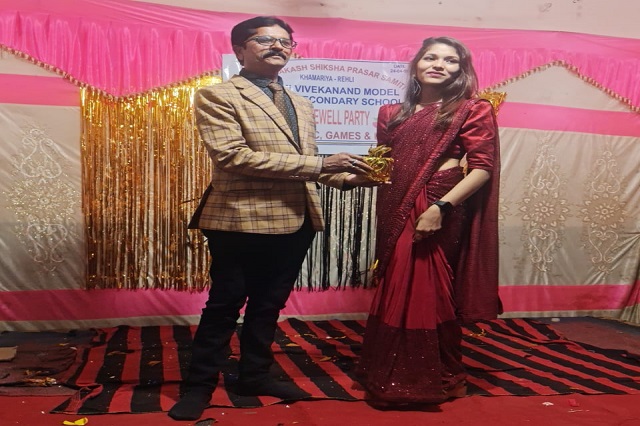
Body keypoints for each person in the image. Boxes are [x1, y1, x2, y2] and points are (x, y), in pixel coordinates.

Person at [168, 16, 377, 421]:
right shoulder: (217, 95)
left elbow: (307, 165)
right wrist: (322, 164)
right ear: (240, 50)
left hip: (298, 219)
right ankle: (199, 386)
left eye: (286, 41)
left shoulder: (301, 103)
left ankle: (255, 375)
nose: (278, 46)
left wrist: (352, 179)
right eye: (265, 40)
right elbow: (233, 157)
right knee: (225, 304)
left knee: (268, 305)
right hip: (239, 219)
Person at [356, 36, 502, 408]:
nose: (439, 64)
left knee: (427, 284)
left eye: (450, 60)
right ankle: (389, 371)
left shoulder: (472, 109)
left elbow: (482, 168)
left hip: (438, 202)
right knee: (397, 282)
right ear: (417, 64)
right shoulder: (391, 113)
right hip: (395, 204)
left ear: (461, 70)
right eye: (431, 57)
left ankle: (440, 374)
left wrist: (441, 207)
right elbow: (385, 165)